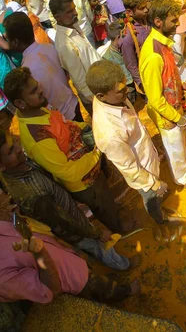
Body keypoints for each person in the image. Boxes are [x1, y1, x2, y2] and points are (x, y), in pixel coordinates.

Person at [4, 67, 125, 234]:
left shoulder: (38, 108)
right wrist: (97, 152)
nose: (40, 90)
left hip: (90, 167)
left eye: (37, 85)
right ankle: (121, 228)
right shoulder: (36, 138)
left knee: (105, 200)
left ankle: (111, 209)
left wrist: (86, 127)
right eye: (33, 90)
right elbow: (67, 172)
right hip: (84, 182)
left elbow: (65, 124)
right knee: (103, 206)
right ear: (20, 103)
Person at [0, 131, 134, 271]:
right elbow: (63, 221)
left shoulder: (18, 165)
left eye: (14, 142)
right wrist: (97, 234)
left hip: (70, 215)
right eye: (10, 151)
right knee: (98, 247)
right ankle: (123, 265)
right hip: (73, 228)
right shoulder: (32, 193)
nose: (17, 148)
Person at [87, 60, 179, 235]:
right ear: (101, 96)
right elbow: (130, 168)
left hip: (146, 158)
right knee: (151, 198)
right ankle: (160, 220)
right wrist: (154, 183)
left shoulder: (113, 98)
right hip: (142, 173)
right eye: (120, 91)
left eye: (125, 87)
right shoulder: (109, 133)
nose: (127, 92)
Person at [0, 221, 139, 304]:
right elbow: (45, 292)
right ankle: (126, 292)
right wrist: (39, 252)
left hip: (69, 258)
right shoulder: (3, 280)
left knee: (94, 276)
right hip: (72, 278)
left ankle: (107, 283)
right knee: (101, 288)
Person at [139, 0, 186, 190]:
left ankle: (185, 155)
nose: (178, 25)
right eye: (173, 21)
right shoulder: (153, 56)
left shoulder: (162, 44)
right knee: (174, 147)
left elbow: (170, 72)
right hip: (166, 113)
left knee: (179, 139)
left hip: (174, 105)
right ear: (158, 21)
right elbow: (155, 99)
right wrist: (177, 118)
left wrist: (183, 87)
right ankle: (181, 178)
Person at [2, 12, 82, 122]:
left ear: (15, 42)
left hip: (62, 119)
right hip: (73, 104)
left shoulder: (27, 70)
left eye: (8, 39)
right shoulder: (49, 47)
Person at [48, 0, 100, 115]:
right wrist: (96, 101)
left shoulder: (74, 26)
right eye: (69, 12)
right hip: (95, 96)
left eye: (74, 9)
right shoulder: (64, 44)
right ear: (57, 17)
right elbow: (79, 80)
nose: (75, 13)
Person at [121, 0, 151, 94]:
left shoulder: (148, 20)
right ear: (129, 12)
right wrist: (141, 84)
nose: (146, 10)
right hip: (146, 76)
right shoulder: (128, 36)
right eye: (142, 8)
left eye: (146, 6)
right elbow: (131, 64)